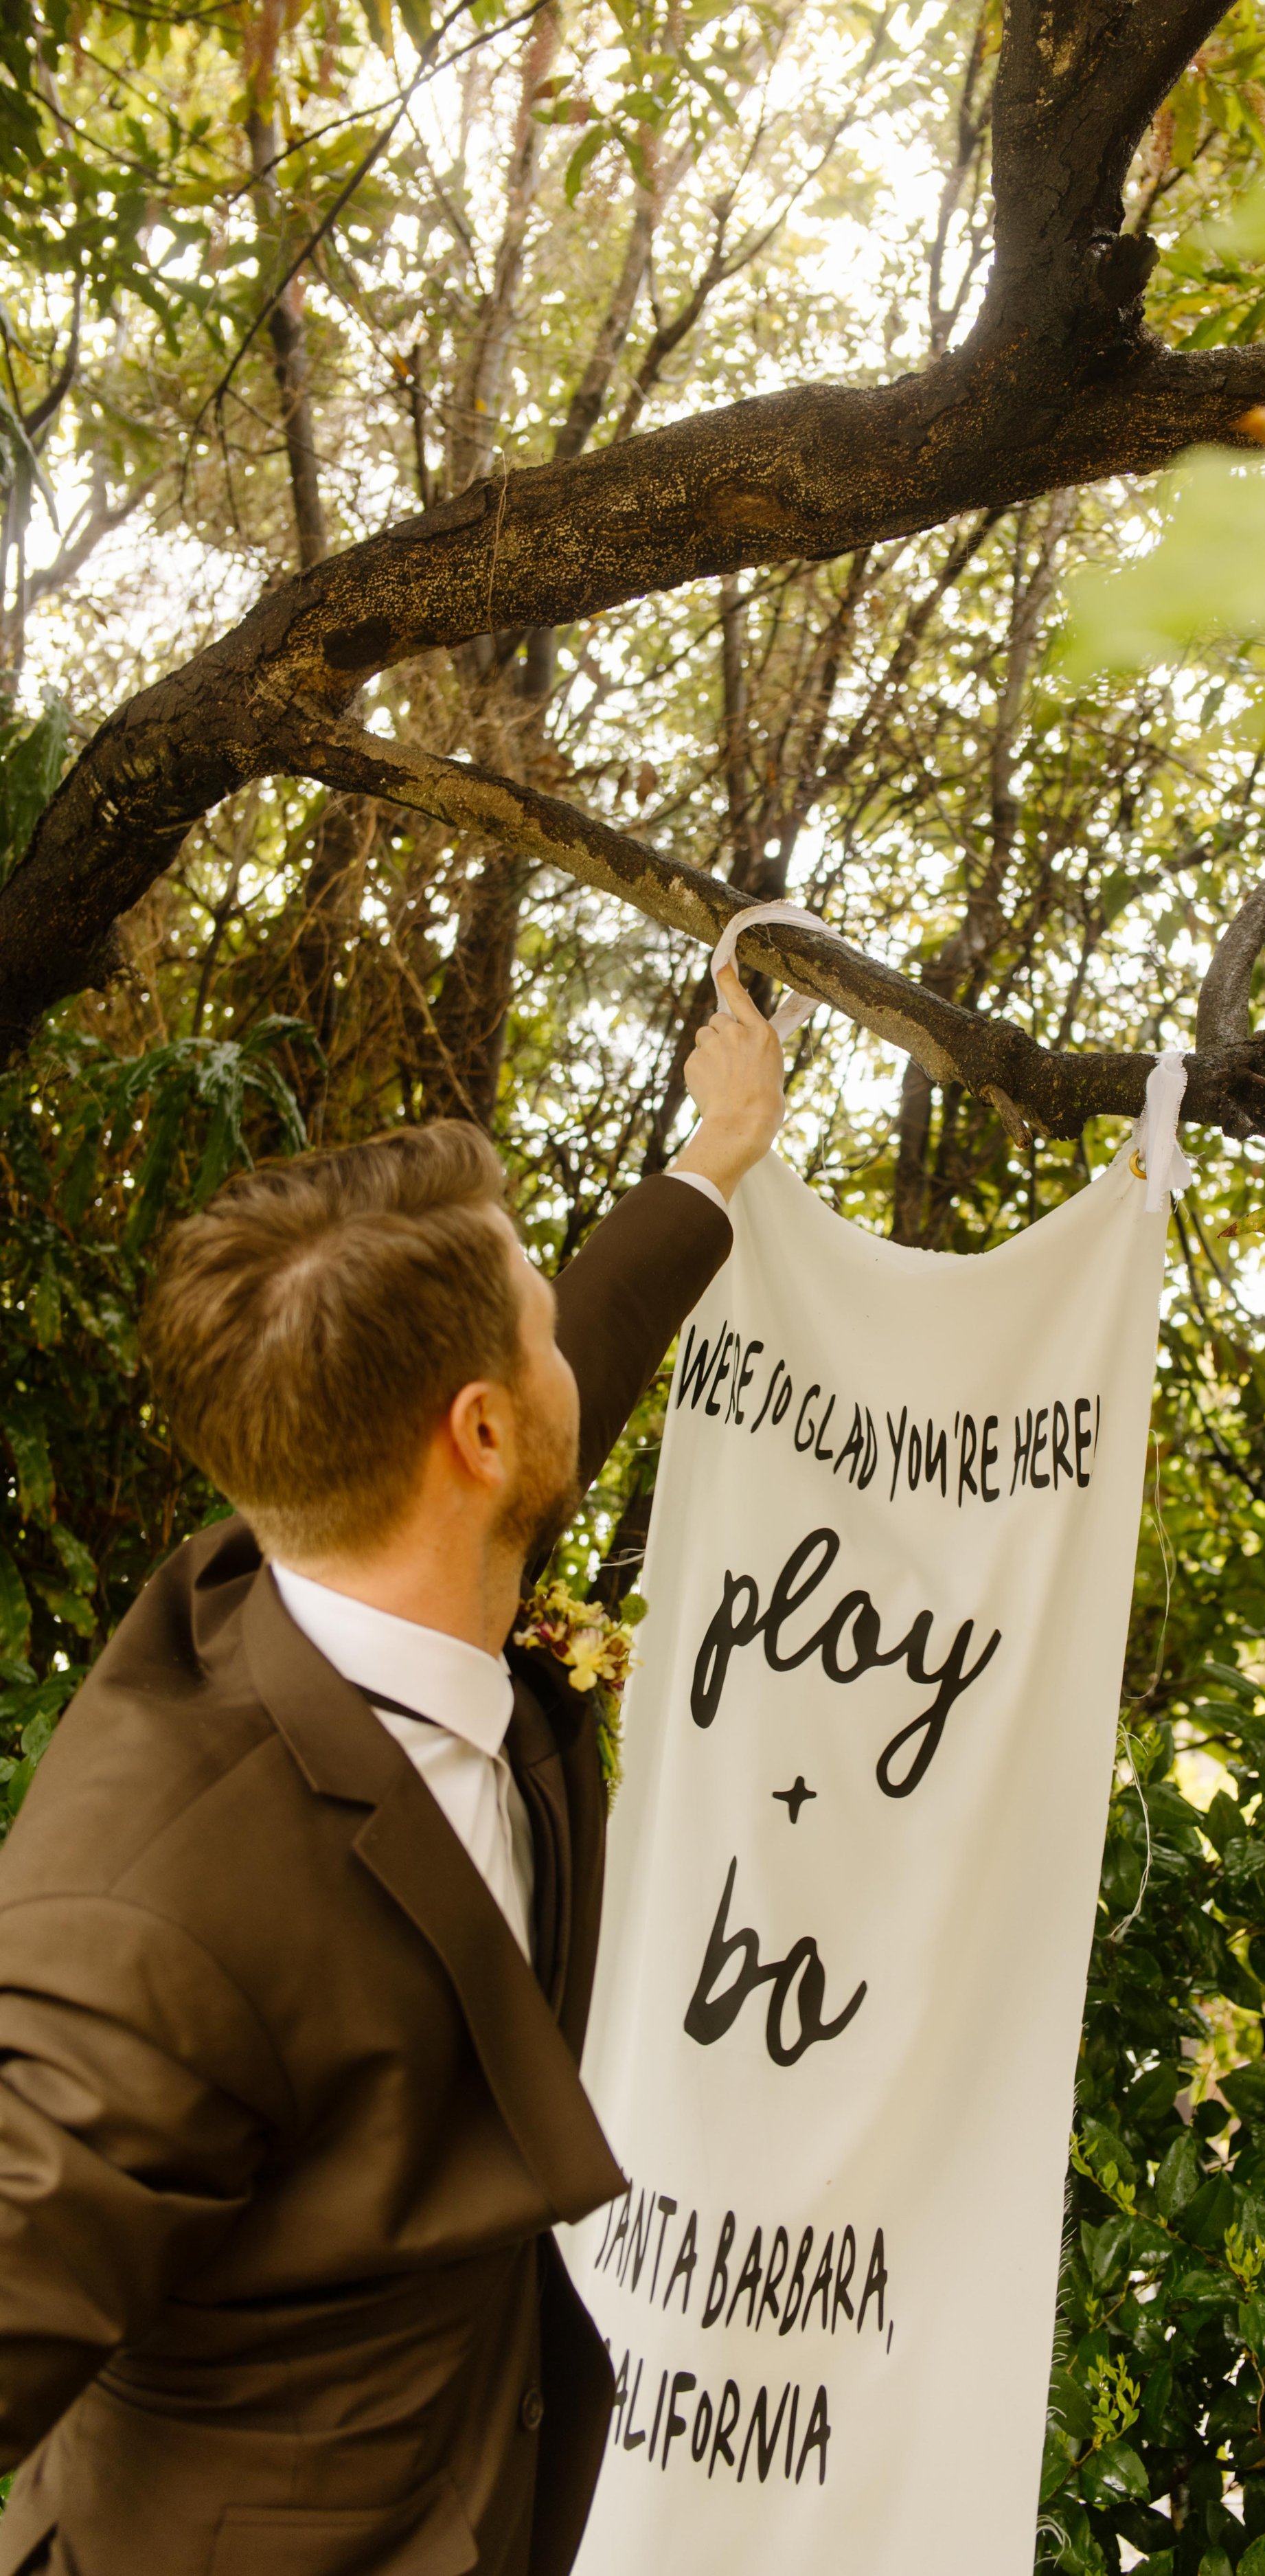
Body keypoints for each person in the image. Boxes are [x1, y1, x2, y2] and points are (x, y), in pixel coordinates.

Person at [0, 968, 784, 2576]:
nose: (574, 1345)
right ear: (483, 1436)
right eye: (541, 1328)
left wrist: (716, 1161)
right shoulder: (141, 1918)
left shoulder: (391, 1542)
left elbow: (590, 1364)